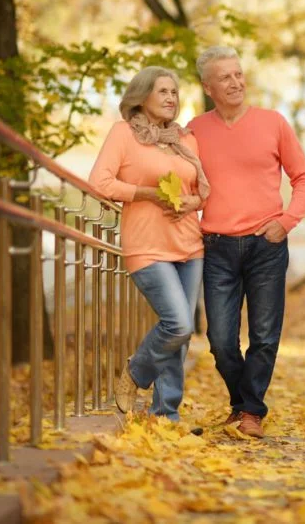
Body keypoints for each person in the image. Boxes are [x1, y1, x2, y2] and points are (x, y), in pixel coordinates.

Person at [187, 46, 305, 438]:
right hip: (218, 248)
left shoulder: (273, 123)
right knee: (221, 341)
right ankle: (243, 402)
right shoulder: (194, 130)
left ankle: (250, 413)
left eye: (239, 74)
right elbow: (179, 180)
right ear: (209, 86)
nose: (236, 82)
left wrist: (286, 221)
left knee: (263, 335)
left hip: (266, 246)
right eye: (225, 77)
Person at [89, 66, 210, 421]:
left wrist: (194, 203)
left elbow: (200, 190)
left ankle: (165, 416)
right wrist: (143, 194)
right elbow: (100, 182)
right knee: (178, 324)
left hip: (190, 244)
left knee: (181, 336)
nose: (171, 98)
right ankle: (135, 374)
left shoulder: (185, 140)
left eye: (174, 92)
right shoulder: (123, 134)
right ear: (141, 97)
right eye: (163, 92)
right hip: (147, 245)